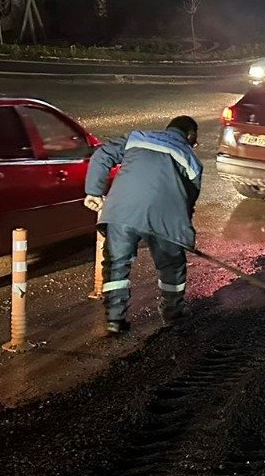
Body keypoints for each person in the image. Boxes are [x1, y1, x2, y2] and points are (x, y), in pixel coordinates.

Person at [84, 115, 202, 335]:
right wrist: (182, 234)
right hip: (164, 218)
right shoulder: (191, 159)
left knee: (117, 263)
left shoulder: (137, 138)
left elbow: (103, 153)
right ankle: (172, 313)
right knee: (171, 266)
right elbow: (189, 200)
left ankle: (114, 320)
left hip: (122, 212)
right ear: (190, 136)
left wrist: (94, 191)